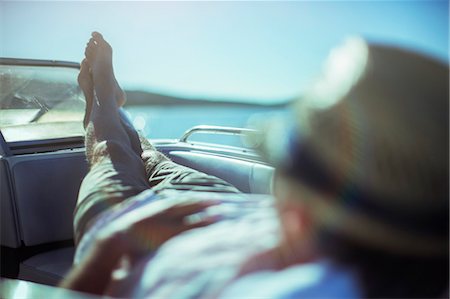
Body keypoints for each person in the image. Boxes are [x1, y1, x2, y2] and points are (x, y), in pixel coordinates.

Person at [60, 32, 448, 298]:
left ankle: (104, 103)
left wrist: (108, 250)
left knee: (109, 154)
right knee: (151, 157)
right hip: (230, 208)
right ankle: (117, 111)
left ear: (298, 210)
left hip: (136, 229)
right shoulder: (411, 257)